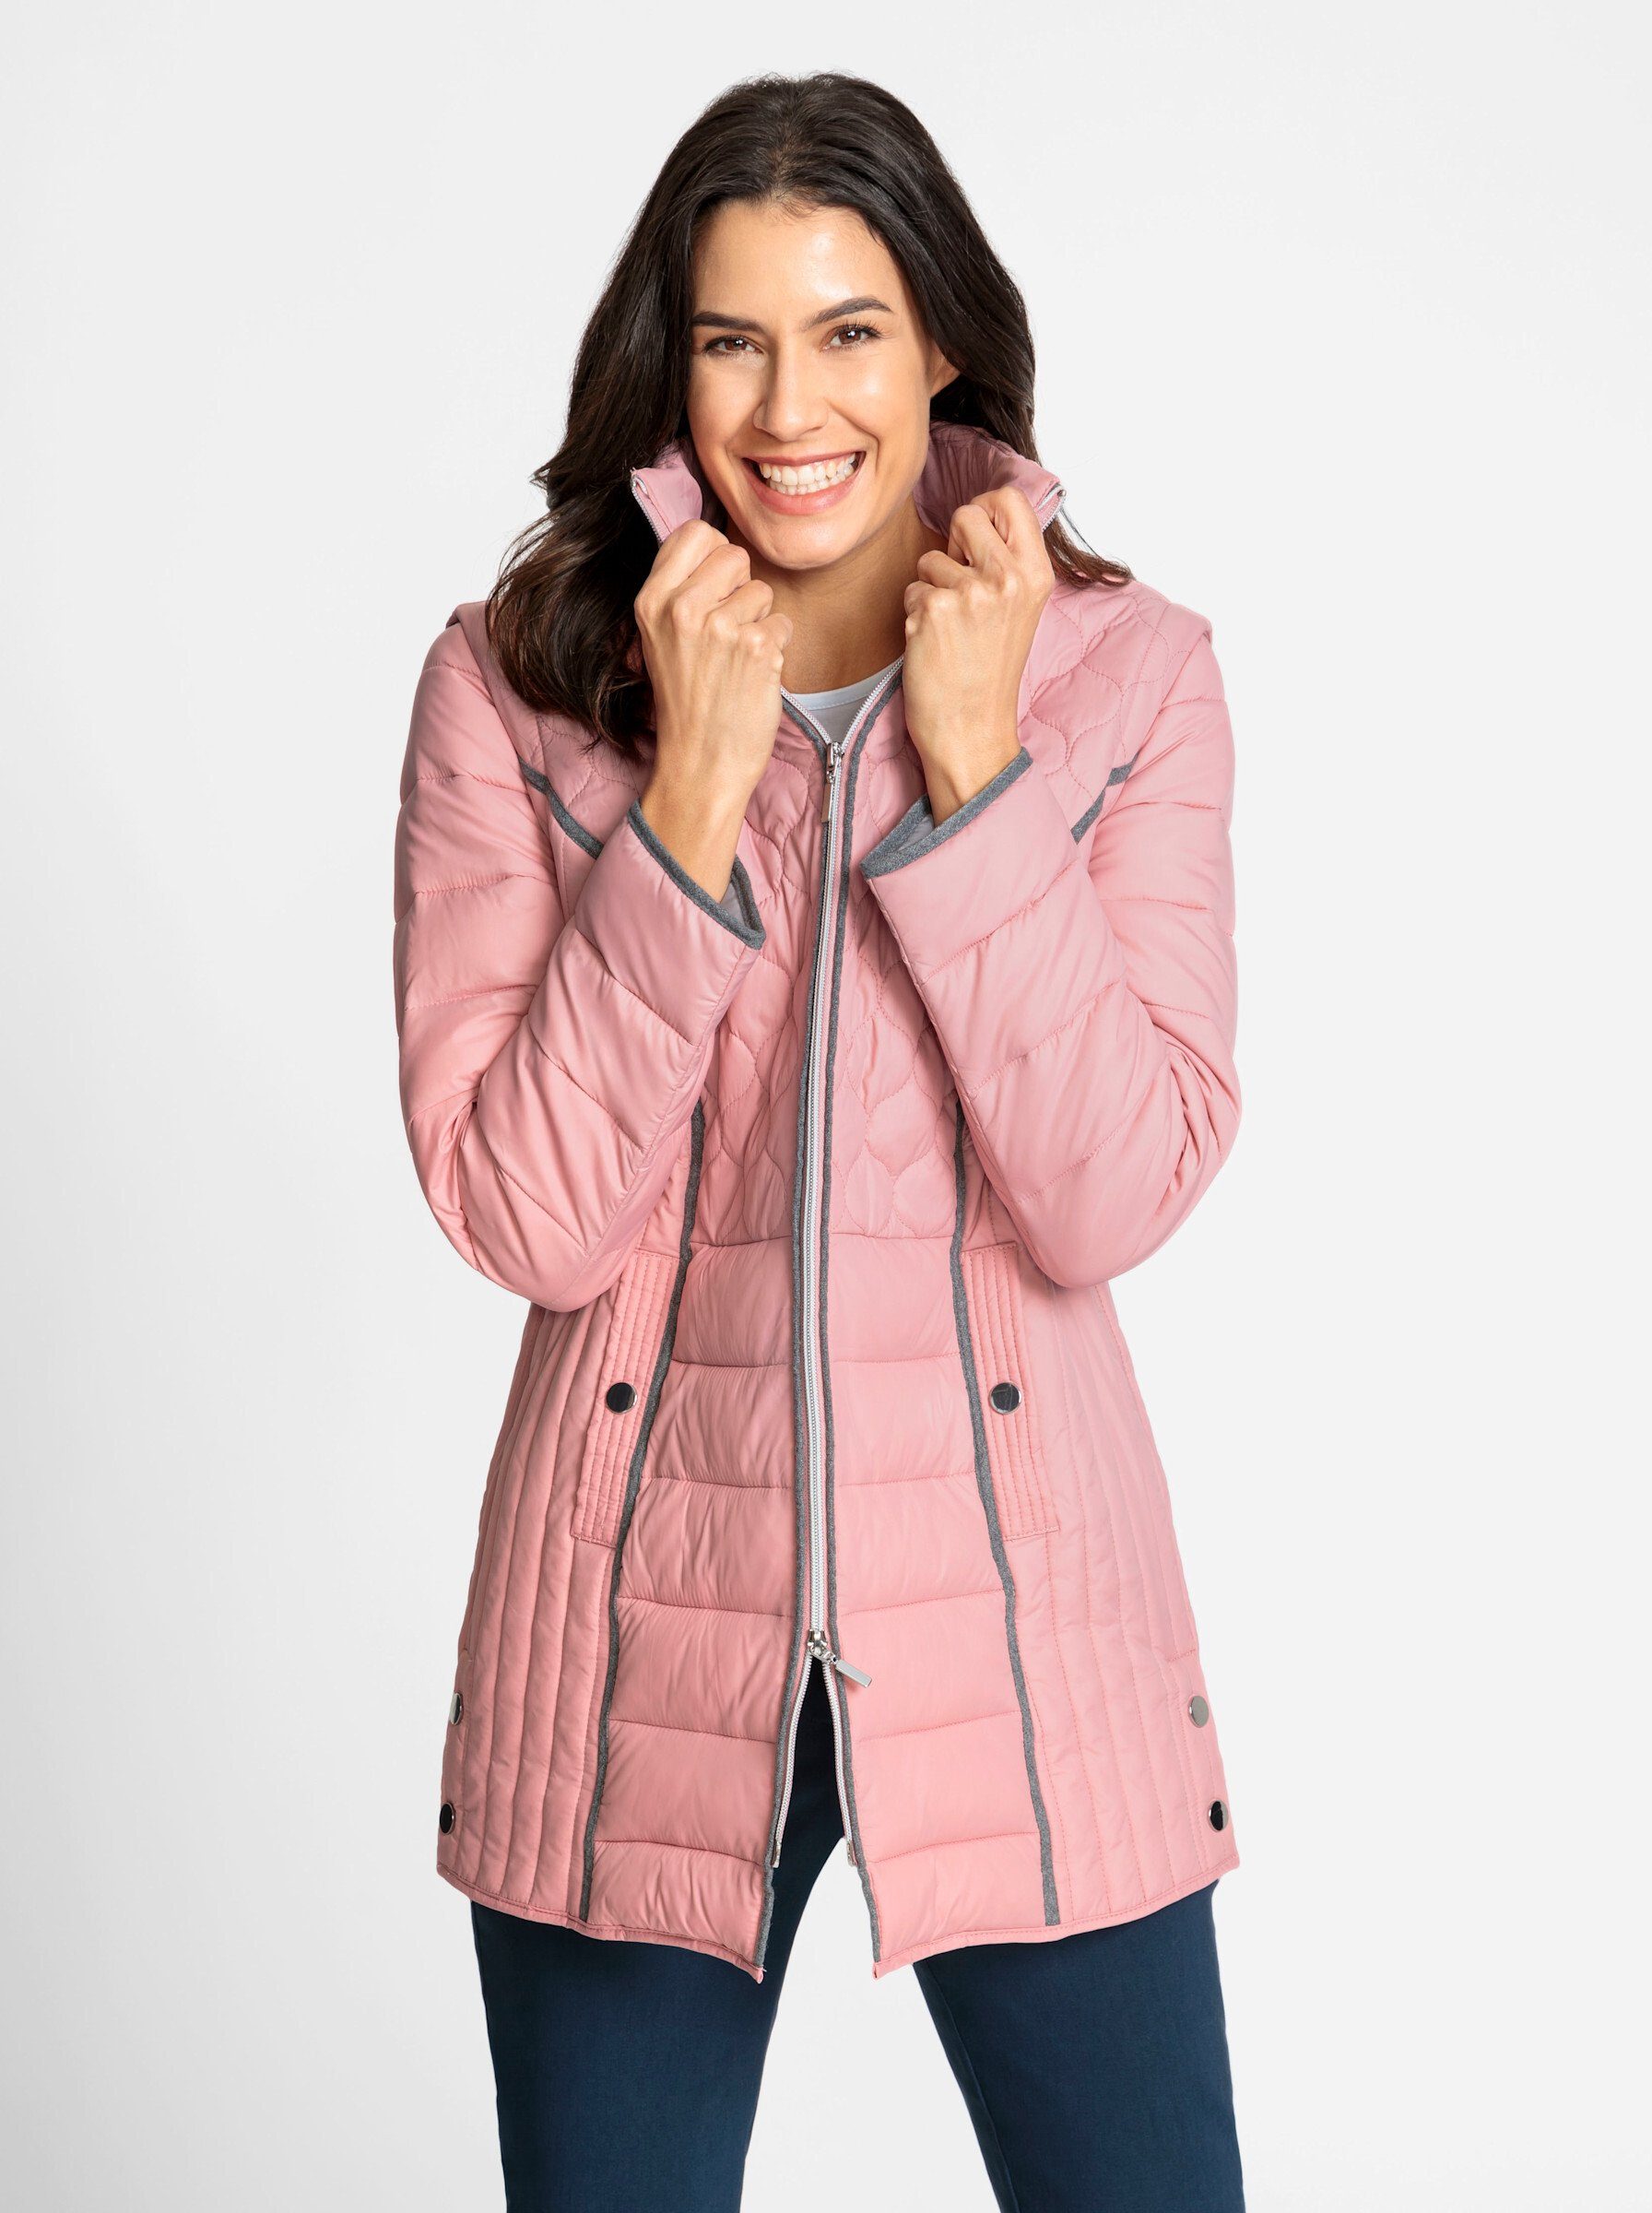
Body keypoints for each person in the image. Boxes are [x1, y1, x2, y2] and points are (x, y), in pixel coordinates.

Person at [393, 68, 1247, 2213]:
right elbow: (524, 1212)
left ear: (940, 341)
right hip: (627, 1643)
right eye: (731, 339)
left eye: (848, 328)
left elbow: (1109, 1189)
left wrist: (974, 779)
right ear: (665, 366)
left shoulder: (1127, 678)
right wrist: (689, 800)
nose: (790, 407)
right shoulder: (513, 685)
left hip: (1027, 1625)